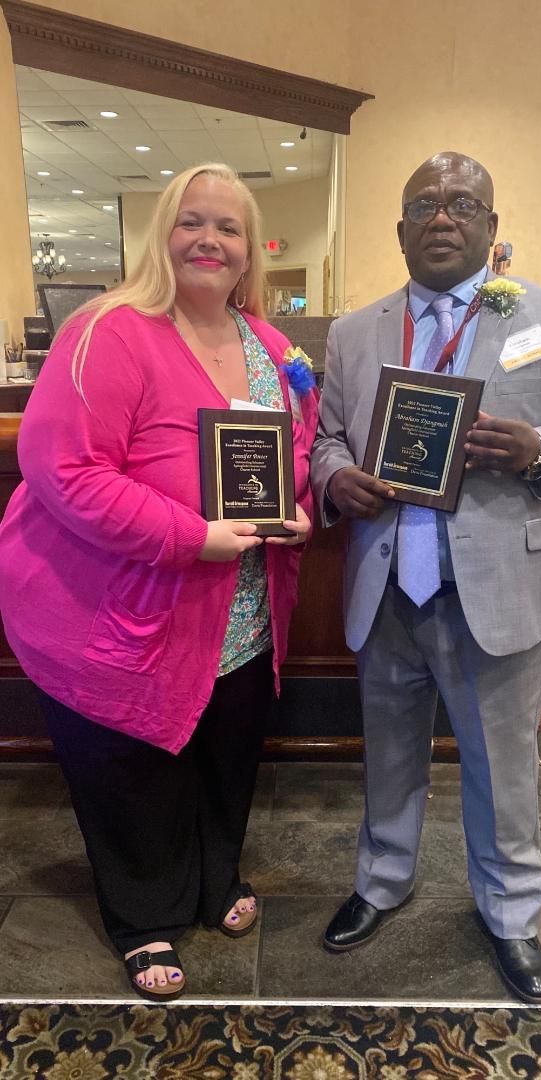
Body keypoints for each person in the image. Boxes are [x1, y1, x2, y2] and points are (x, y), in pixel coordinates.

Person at [0, 163, 318, 1000]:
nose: (208, 240)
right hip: (120, 613)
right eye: (190, 222)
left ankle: (215, 879)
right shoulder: (112, 330)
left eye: (228, 227)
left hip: (242, 614)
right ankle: (144, 917)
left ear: (250, 251)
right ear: (161, 235)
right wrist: (191, 535)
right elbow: (63, 468)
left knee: (224, 757)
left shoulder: (276, 349)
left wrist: (301, 510)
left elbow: (293, 461)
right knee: (129, 770)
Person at [310, 151, 541, 1003]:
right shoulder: (355, 331)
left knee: (502, 765)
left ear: (489, 226)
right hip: (387, 585)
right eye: (425, 204)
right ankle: (380, 881)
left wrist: (540, 449)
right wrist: (334, 477)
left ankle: (510, 913)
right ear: (399, 229)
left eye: (462, 203)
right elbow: (327, 436)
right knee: (390, 755)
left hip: (500, 591)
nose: (443, 216)